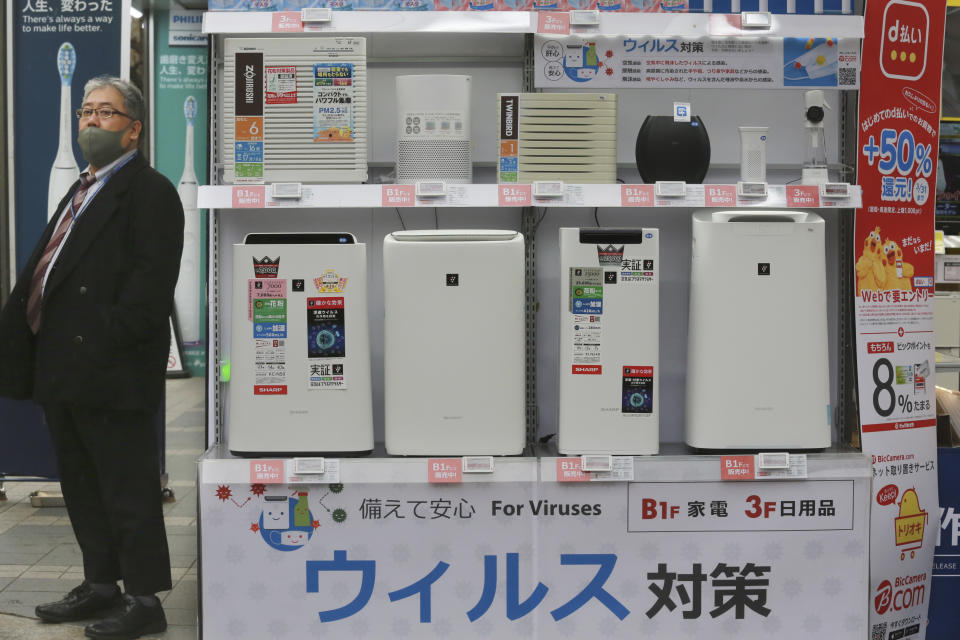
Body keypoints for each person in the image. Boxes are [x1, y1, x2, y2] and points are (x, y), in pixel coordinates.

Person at [0, 76, 184, 639]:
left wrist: (104, 342)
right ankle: (101, 584)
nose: (91, 120)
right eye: (85, 110)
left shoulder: (149, 192)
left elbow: (149, 291)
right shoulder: (81, 188)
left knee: (127, 489)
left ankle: (145, 600)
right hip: (63, 366)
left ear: (134, 130)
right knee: (81, 483)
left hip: (111, 369)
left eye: (106, 112)